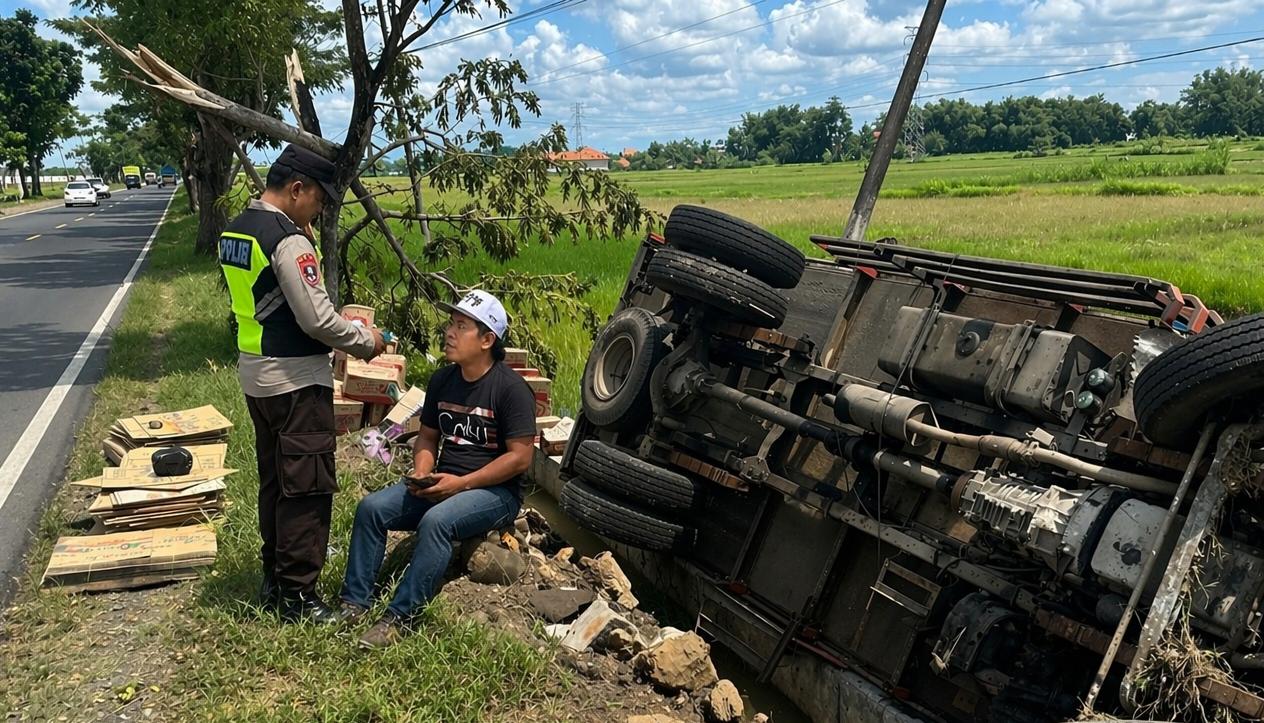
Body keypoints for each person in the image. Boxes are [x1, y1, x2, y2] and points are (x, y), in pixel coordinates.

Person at [219, 144, 385, 624]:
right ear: (296, 189)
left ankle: (274, 579)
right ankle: (299, 599)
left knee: (274, 482)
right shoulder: (288, 241)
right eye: (318, 200)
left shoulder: (237, 228)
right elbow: (316, 319)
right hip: (295, 381)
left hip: (257, 376)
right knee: (307, 488)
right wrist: (365, 341)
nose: (320, 209)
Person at [338, 290, 535, 649]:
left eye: (462, 326)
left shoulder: (511, 390)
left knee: (437, 522)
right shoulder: (444, 380)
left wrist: (460, 485)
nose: (449, 332)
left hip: (495, 493)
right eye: (451, 323)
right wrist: (423, 471)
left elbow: (520, 459)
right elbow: (427, 438)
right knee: (372, 509)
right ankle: (354, 601)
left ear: (488, 340)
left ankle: (399, 618)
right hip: (445, 481)